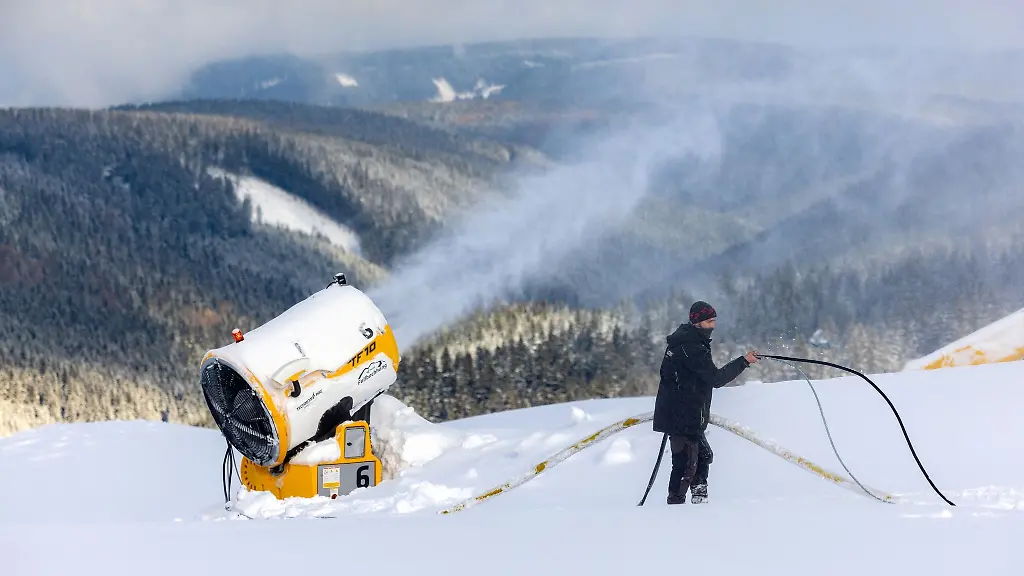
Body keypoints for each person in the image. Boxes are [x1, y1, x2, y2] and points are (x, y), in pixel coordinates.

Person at [653, 300, 759, 504]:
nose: (713, 326)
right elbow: (716, 379)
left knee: (702, 457)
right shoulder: (691, 348)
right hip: (682, 417)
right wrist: (743, 361)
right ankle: (676, 508)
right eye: (709, 321)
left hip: (685, 415)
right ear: (697, 323)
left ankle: (699, 500)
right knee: (685, 465)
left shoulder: (686, 342)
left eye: (714, 321)